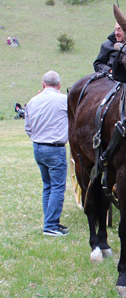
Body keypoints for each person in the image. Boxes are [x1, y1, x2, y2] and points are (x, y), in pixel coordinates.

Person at [25, 71, 69, 237]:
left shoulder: (33, 101)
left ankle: (50, 221)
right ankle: (50, 226)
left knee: (47, 186)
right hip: (55, 148)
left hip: (38, 147)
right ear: (59, 85)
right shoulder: (63, 100)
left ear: (43, 84)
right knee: (57, 187)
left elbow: (28, 127)